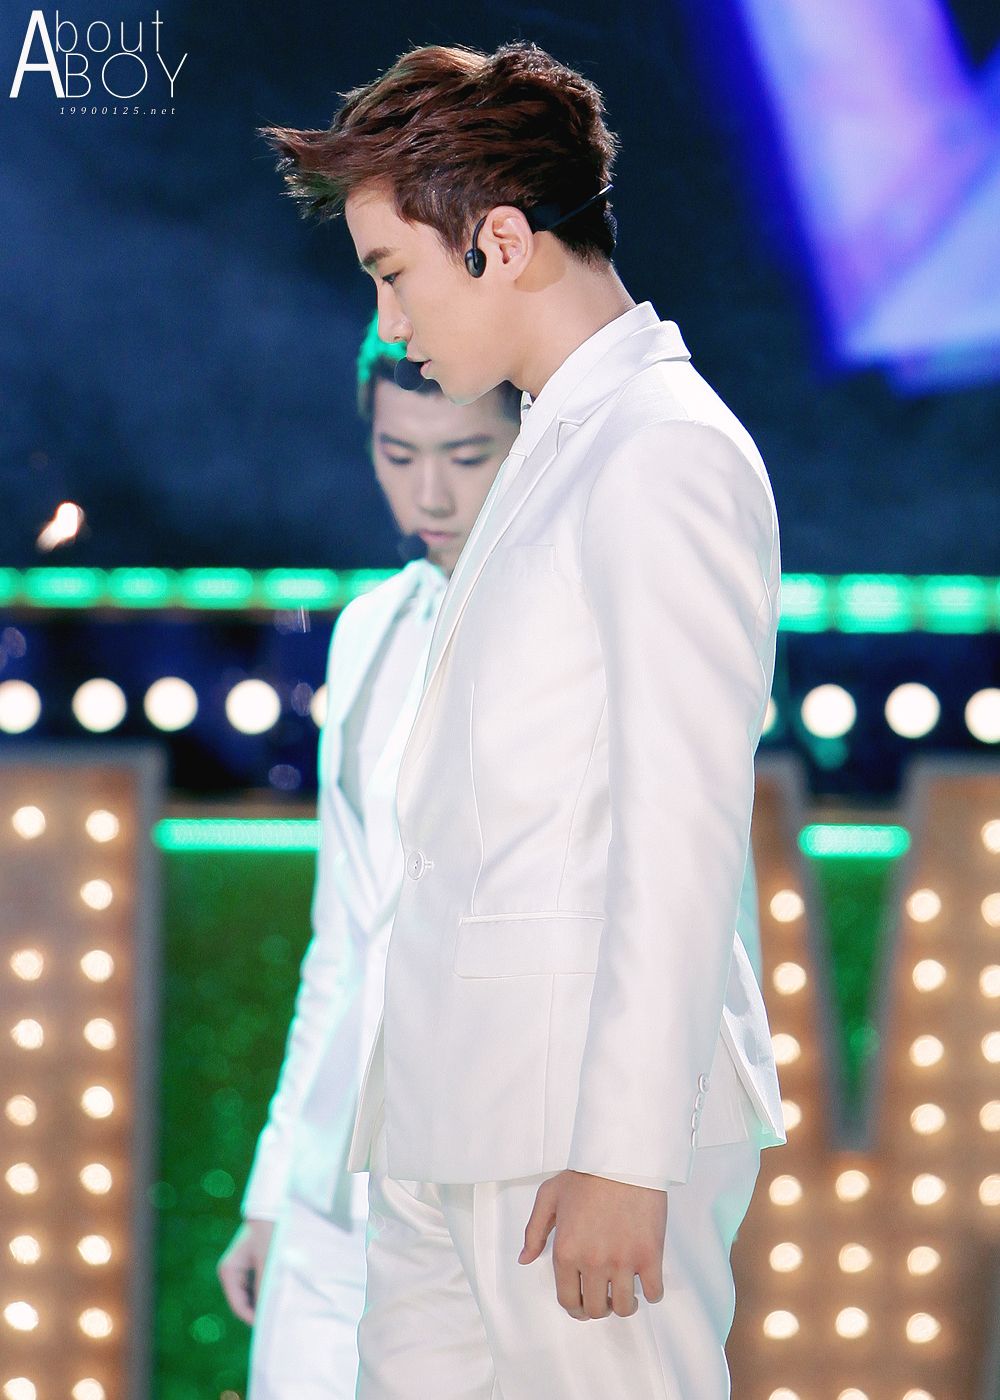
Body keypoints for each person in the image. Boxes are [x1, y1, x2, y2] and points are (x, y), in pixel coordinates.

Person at [264, 40, 786, 1400]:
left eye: (394, 274)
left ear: (498, 242)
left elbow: (682, 828)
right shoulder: (566, 442)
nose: (391, 323)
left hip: (574, 1126)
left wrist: (625, 1149)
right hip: (451, 1111)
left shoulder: (662, 449)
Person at [216, 315, 520, 1400]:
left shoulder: (575, 633)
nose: (428, 494)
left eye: (466, 455)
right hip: (330, 1179)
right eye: (398, 454)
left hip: (484, 1177)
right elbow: (341, 940)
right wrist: (271, 1185)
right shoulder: (367, 631)